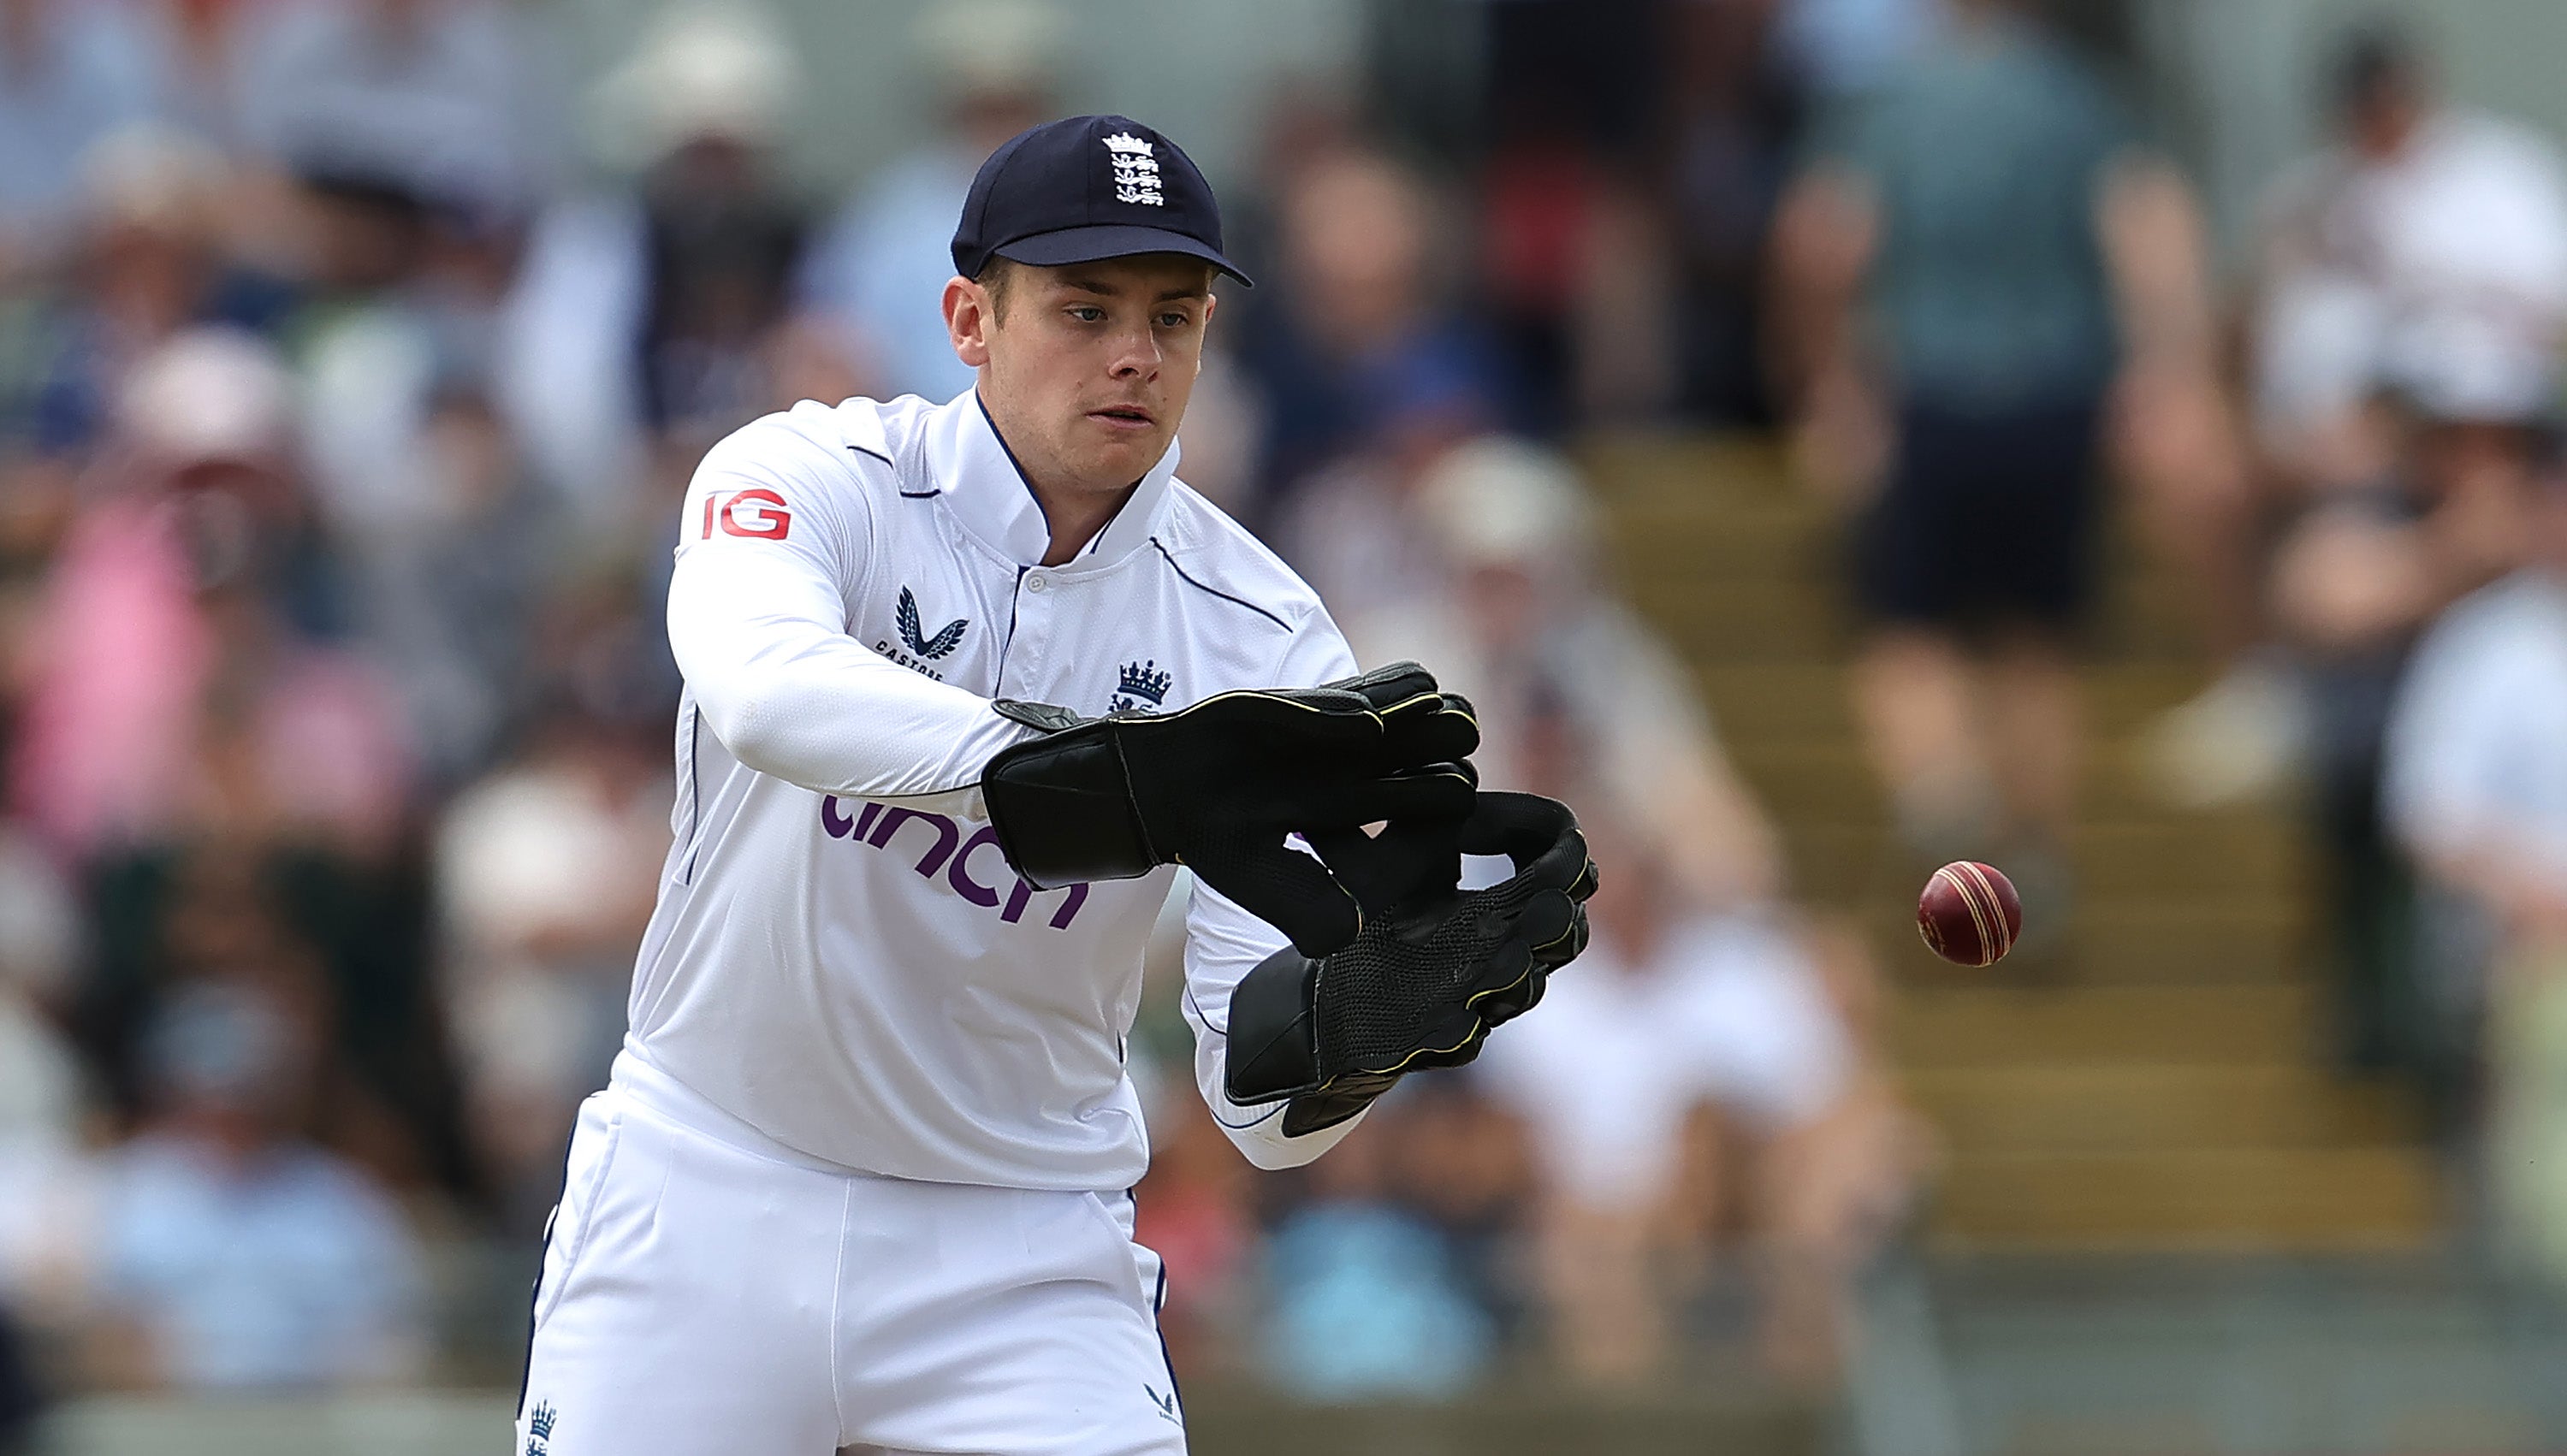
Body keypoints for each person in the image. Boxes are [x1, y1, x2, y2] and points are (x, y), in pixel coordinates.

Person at [514, 115, 1595, 1455]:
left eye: (1172, 317)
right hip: (709, 1183)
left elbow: (1257, 1109)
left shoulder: (1267, 639)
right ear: (969, 319)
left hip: (1019, 1242)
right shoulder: (811, 475)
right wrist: (1103, 777)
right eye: (1085, 309)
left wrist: (1359, 1028)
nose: (1135, 353)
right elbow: (761, 687)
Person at [1771, 0, 2233, 904]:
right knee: (2039, 635)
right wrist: (2169, 372)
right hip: (2057, 399)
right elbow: (2151, 233)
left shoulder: (1884, 100)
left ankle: (1944, 796)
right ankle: (2037, 850)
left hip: (1928, 395)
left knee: (1904, 624)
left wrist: (1831, 382)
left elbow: (1822, 242)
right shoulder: (2082, 98)